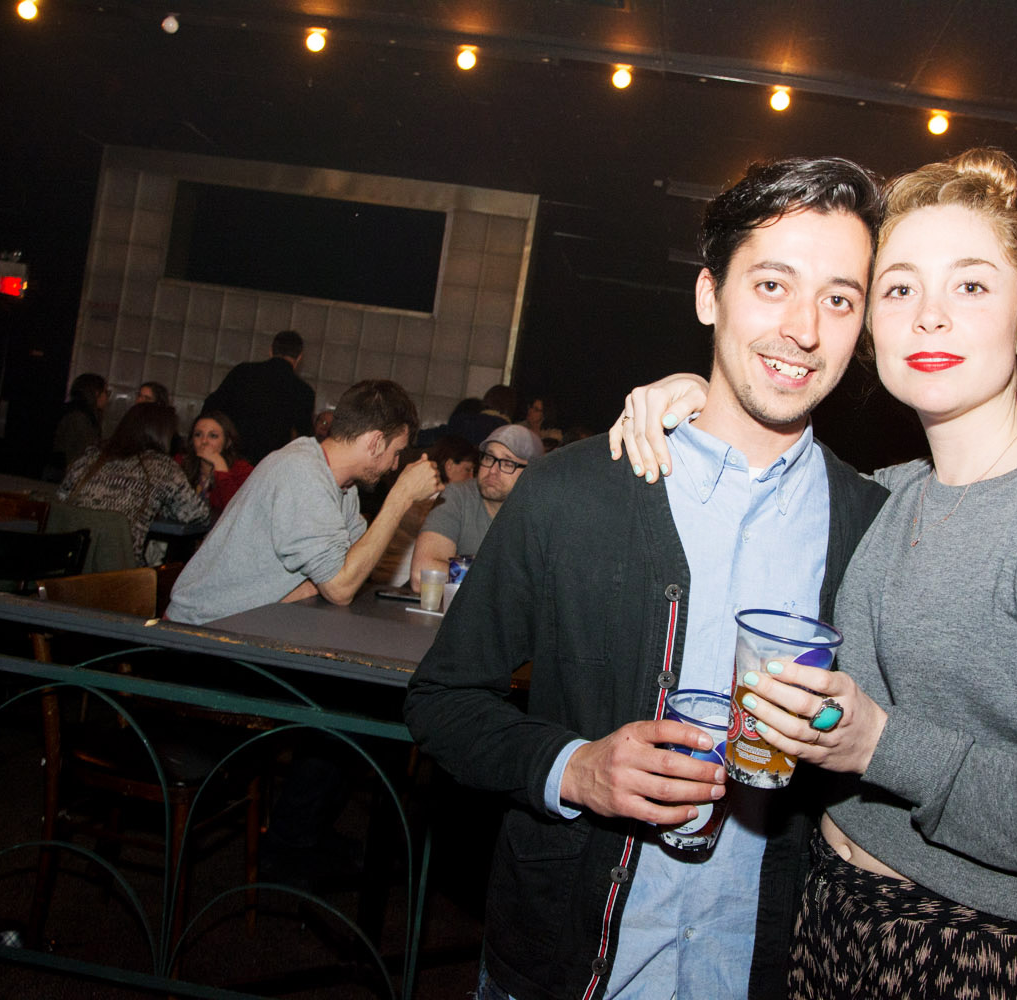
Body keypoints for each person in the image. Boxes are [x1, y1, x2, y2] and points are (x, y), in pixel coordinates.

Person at [609, 149, 1017, 1000]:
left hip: (984, 954)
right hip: (825, 919)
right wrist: (693, 394)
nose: (930, 317)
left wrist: (884, 747)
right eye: (898, 289)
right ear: (869, 327)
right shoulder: (884, 497)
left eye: (971, 286)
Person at [404, 156, 890, 1000]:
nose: (805, 328)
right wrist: (574, 769)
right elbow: (442, 700)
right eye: (772, 285)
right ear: (709, 294)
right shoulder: (573, 492)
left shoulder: (874, 527)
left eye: (839, 299)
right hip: (560, 969)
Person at [164, 379, 441, 625]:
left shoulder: (343, 487)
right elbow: (341, 588)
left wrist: (324, 583)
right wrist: (401, 497)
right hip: (197, 636)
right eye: (396, 452)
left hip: (245, 625)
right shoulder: (301, 472)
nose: (394, 466)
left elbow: (355, 568)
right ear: (376, 442)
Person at [58, 402, 209, 566]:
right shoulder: (162, 467)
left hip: (67, 563)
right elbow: (199, 514)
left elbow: (61, 497)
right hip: (120, 571)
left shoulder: (91, 457)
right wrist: (164, 506)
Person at [407, 423, 542, 592]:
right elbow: (422, 575)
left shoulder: (544, 514)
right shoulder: (457, 496)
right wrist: (506, 577)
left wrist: (462, 569)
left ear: (532, 474)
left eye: (507, 463)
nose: (492, 470)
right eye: (489, 458)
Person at [372, 433, 478, 588]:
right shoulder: (436, 501)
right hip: (402, 584)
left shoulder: (424, 495)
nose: (471, 478)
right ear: (449, 466)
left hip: (387, 578)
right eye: (467, 469)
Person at [202, 330, 315, 465]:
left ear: (270, 350)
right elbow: (303, 439)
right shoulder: (303, 391)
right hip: (268, 464)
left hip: (233, 457)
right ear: (299, 357)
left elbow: (211, 406)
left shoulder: (243, 372)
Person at [178, 410, 254, 518]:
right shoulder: (180, 464)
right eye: (198, 435)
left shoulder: (242, 470)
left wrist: (220, 466)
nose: (204, 441)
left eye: (213, 436)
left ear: (228, 442)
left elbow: (238, 512)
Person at [48, 372, 108, 480]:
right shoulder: (80, 417)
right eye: (105, 392)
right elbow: (81, 452)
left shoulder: (78, 413)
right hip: (65, 475)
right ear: (96, 393)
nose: (107, 397)